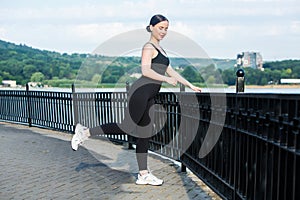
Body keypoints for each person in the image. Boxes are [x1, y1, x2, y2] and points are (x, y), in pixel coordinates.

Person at [71, 14, 202, 186]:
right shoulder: (148, 47)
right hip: (140, 92)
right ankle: (85, 132)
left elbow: (171, 72)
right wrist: (165, 80)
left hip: (149, 95)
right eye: (161, 28)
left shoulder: (161, 49)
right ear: (151, 27)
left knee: (144, 134)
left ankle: (143, 174)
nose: (163, 31)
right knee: (127, 127)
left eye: (166, 29)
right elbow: (146, 71)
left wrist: (190, 85)